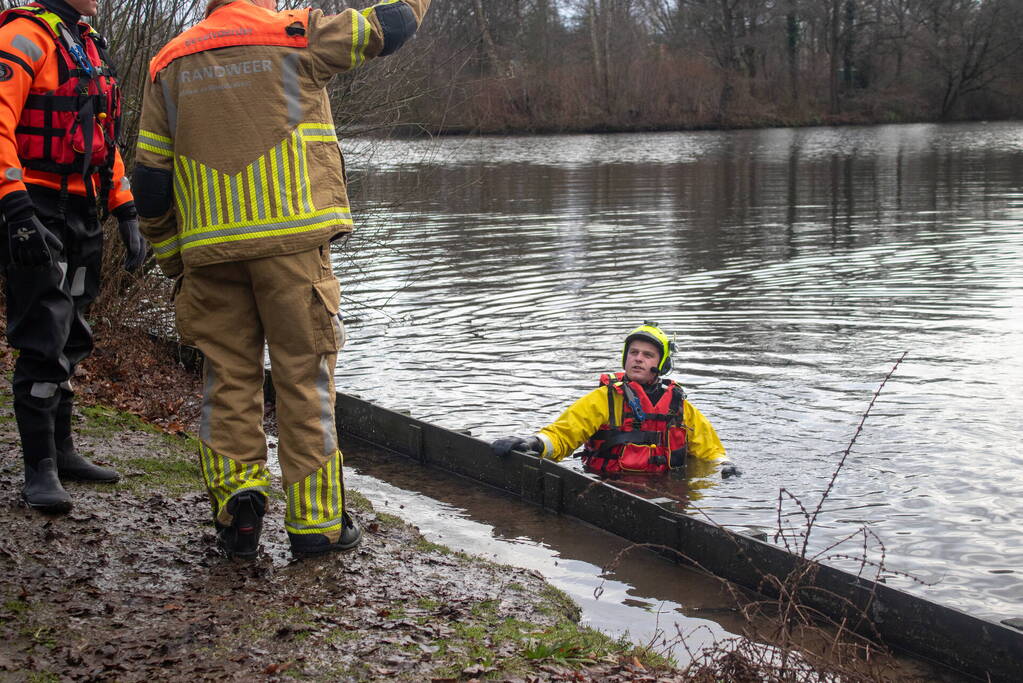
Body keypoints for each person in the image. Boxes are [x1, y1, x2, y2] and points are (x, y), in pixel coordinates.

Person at [132, 0, 430, 559]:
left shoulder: (168, 62)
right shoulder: (298, 35)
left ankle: (238, 506)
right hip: (293, 247)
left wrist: (175, 260)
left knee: (227, 381)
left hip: (209, 253)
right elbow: (392, 25)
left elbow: (149, 182)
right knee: (304, 380)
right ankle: (316, 525)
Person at [0, 0, 145, 513]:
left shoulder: (83, 41)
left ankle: (61, 451)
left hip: (83, 206)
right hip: (35, 206)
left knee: (75, 329)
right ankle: (38, 467)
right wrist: (16, 211)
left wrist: (125, 210)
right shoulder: (25, 35)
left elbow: (104, 136)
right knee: (44, 334)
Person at [492, 323, 740, 478]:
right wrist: (533, 442)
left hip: (665, 490)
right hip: (609, 485)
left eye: (647, 355)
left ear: (661, 364)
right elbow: (563, 435)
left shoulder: (679, 407)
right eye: (633, 353)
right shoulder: (604, 399)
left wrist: (725, 466)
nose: (638, 359)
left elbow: (710, 450)